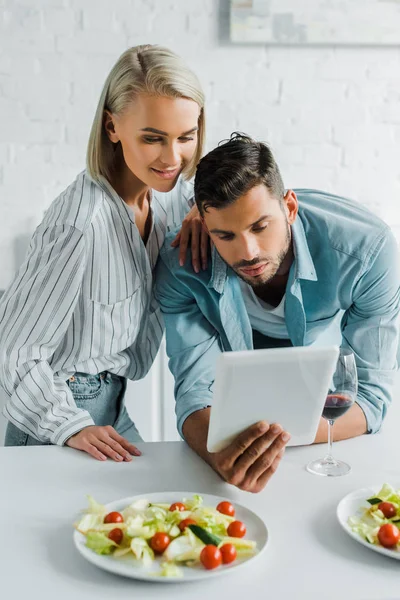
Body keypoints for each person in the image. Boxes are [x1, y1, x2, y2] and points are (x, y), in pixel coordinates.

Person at [155, 132, 400, 493]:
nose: (248, 252)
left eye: (260, 227)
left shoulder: (366, 251)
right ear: (204, 226)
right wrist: (219, 454)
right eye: (225, 235)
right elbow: (194, 392)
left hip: (313, 367)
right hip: (235, 361)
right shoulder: (181, 266)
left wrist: (268, 443)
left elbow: (372, 398)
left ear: (289, 207)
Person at [0, 44, 209, 460]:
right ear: (112, 127)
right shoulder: (79, 223)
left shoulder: (169, 198)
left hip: (113, 401)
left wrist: (203, 209)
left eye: (186, 137)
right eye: (153, 139)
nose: (173, 158)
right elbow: (14, 350)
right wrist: (69, 425)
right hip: (62, 411)